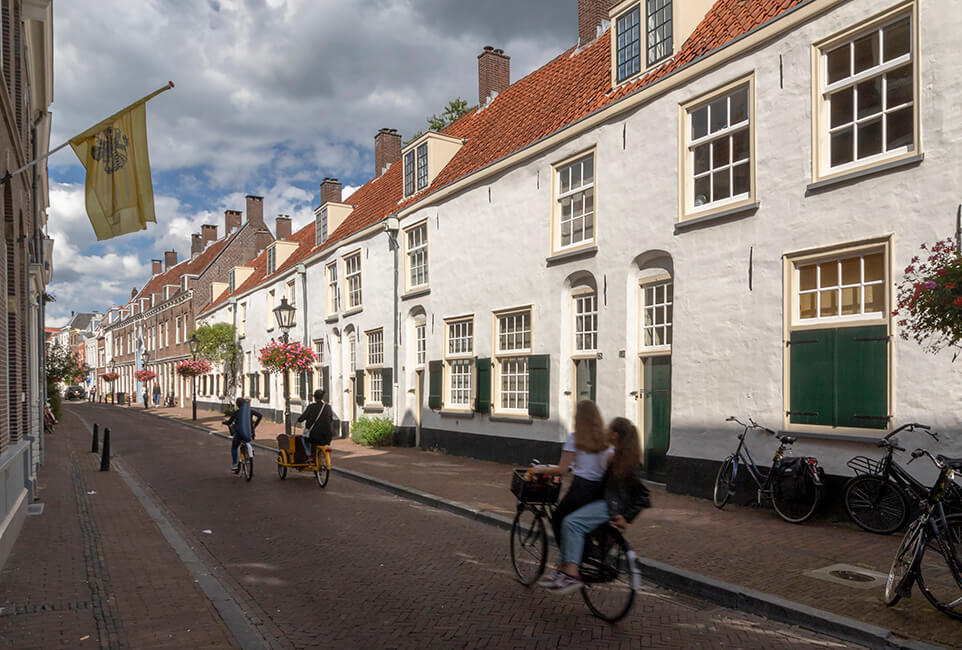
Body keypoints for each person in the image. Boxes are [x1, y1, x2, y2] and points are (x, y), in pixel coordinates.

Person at [545, 417, 651, 595]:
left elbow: (642, 495)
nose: (606, 432)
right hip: (609, 503)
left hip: (611, 506)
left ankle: (571, 573)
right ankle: (569, 566)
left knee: (571, 523)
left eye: (609, 430)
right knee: (574, 518)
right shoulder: (618, 454)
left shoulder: (620, 459)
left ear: (615, 435)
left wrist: (627, 517)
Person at [530, 400, 613, 581]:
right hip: (598, 490)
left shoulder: (575, 438)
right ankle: (585, 554)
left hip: (581, 488)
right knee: (582, 521)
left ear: (578, 418)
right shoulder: (605, 439)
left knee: (559, 519)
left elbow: (562, 469)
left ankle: (569, 565)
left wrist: (540, 470)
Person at [222, 398, 262, 472]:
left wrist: (224, 422)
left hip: (239, 434)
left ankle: (234, 464)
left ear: (237, 405)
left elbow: (230, 422)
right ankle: (249, 452)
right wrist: (254, 425)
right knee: (247, 441)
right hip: (250, 433)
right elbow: (260, 415)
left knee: (234, 447)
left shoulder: (236, 412)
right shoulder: (249, 411)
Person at [296, 389, 335, 459]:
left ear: (315, 398)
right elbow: (331, 419)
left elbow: (302, 418)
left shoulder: (311, 407)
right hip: (326, 435)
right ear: (322, 397)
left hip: (313, 435)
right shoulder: (328, 407)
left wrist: (299, 420)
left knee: (303, 439)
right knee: (322, 443)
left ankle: (309, 455)